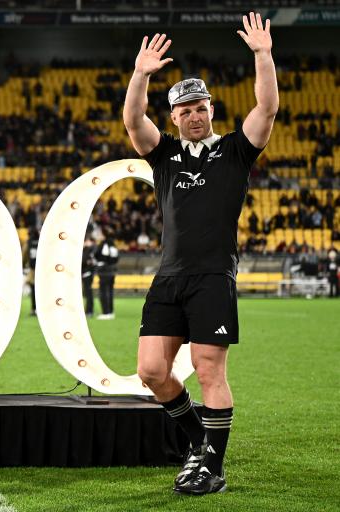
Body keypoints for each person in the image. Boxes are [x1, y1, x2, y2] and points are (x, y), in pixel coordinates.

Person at [123, 12, 278, 495]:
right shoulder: (164, 154)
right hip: (169, 277)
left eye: (200, 106)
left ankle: (212, 467)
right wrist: (141, 74)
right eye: (184, 109)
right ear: (174, 117)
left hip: (213, 276)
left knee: (210, 369)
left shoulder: (235, 150)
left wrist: (262, 54)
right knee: (151, 371)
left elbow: (267, 109)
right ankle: (197, 439)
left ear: (211, 109)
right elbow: (132, 119)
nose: (193, 114)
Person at [94, 231, 118, 320]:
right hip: (112, 271)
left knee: (103, 292)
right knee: (110, 292)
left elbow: (102, 257)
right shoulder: (113, 245)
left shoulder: (104, 244)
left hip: (104, 271)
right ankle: (111, 312)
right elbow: (116, 258)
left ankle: (105, 312)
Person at [23, 227, 39, 316]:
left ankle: (34, 308)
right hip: (42, 270)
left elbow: (24, 255)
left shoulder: (28, 243)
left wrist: (23, 265)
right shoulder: (42, 241)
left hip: (33, 270)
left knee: (33, 289)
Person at [81, 236, 97, 317]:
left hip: (87, 273)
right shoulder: (90, 250)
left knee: (88, 293)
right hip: (87, 273)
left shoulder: (89, 250)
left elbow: (84, 261)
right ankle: (88, 310)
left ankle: (89, 311)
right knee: (87, 293)